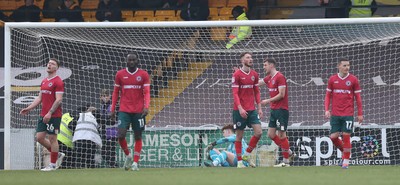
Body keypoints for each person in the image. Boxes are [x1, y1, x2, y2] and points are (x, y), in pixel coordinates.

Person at [20, 58, 65, 171]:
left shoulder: (58, 81)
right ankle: (57, 154)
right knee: (39, 138)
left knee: (52, 138)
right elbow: (40, 98)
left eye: (52, 64)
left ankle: (53, 164)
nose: (49, 65)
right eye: (49, 63)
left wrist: (50, 113)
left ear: (56, 68)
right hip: (43, 114)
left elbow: (58, 100)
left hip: (54, 116)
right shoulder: (44, 81)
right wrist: (29, 108)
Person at [111, 53, 151, 171]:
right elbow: (115, 92)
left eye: (134, 60)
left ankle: (135, 163)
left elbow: (147, 92)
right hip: (124, 110)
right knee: (120, 135)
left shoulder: (143, 74)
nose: (132, 62)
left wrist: (146, 106)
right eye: (130, 60)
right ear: (126, 61)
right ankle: (128, 155)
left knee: (138, 136)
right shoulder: (120, 74)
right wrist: (112, 109)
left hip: (139, 111)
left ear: (137, 61)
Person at [324, 58, 363, 169]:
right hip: (335, 114)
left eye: (348, 65)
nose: (347, 68)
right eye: (345, 65)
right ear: (339, 66)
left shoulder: (353, 79)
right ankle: (345, 153)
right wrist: (327, 109)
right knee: (333, 137)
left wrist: (360, 113)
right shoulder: (332, 79)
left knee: (346, 137)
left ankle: (345, 161)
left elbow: (358, 98)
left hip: (348, 113)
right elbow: (327, 96)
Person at [258, 58, 294, 167]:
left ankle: (286, 162)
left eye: (265, 65)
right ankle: (289, 152)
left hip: (281, 110)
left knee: (282, 135)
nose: (263, 67)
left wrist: (267, 101)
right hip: (274, 110)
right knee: (271, 134)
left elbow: (282, 94)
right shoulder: (269, 78)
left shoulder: (280, 77)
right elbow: (257, 83)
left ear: (271, 65)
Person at [231, 52, 263, 168]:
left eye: (251, 57)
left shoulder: (255, 74)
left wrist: (259, 107)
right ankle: (239, 162)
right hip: (239, 110)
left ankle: (247, 154)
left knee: (259, 132)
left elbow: (257, 92)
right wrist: (240, 109)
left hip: (252, 110)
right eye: (248, 57)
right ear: (242, 60)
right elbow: (235, 94)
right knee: (239, 136)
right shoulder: (237, 75)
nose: (251, 59)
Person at [99, 89, 118, 168]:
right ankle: (113, 166)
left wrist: (102, 118)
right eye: (103, 96)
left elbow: (112, 119)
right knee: (107, 152)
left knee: (109, 151)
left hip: (112, 132)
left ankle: (114, 165)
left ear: (110, 97)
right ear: (100, 97)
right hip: (105, 132)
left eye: (107, 96)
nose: (105, 98)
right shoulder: (102, 107)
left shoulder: (112, 106)